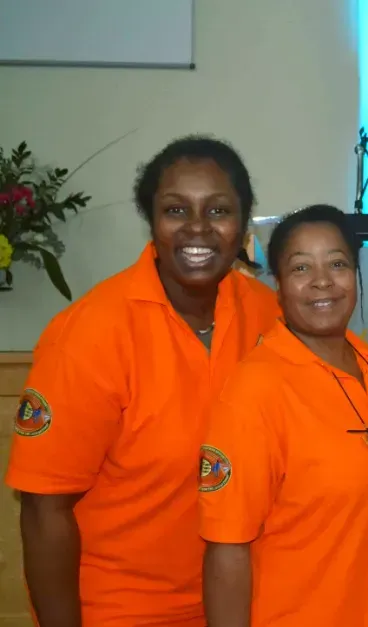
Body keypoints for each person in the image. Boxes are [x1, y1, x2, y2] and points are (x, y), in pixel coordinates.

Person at [4, 135, 280, 627]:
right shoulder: (90, 334)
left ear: (243, 225)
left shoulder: (268, 315)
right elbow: (45, 512)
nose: (198, 228)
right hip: (124, 610)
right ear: (151, 222)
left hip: (245, 603)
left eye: (218, 211)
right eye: (176, 210)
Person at [198, 204, 368, 627]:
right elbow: (226, 550)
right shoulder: (255, 391)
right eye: (301, 268)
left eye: (337, 264)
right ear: (279, 285)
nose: (323, 281)